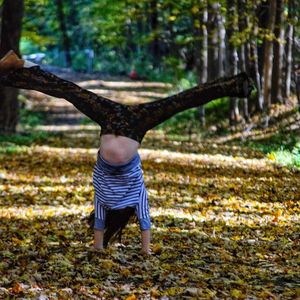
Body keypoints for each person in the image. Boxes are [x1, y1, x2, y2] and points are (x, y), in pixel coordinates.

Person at [0, 50, 252, 255]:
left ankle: (17, 69)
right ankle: (236, 84)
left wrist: (99, 246)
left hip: (114, 119)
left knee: (68, 91)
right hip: (135, 124)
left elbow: (100, 224)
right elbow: (144, 222)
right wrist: (146, 250)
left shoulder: (105, 198)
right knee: (182, 100)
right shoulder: (135, 196)